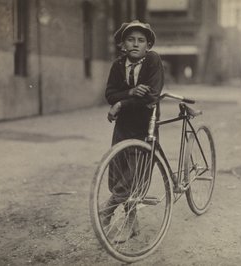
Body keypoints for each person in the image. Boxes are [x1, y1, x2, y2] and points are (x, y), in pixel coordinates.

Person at [101, 20, 164, 242]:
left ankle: (108, 211)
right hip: (123, 126)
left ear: (148, 45)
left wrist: (121, 103)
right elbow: (109, 93)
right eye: (130, 39)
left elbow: (151, 96)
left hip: (145, 124)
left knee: (135, 174)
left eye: (141, 40)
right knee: (120, 169)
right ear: (122, 45)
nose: (135, 44)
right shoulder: (118, 65)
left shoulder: (153, 60)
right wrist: (131, 92)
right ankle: (132, 220)